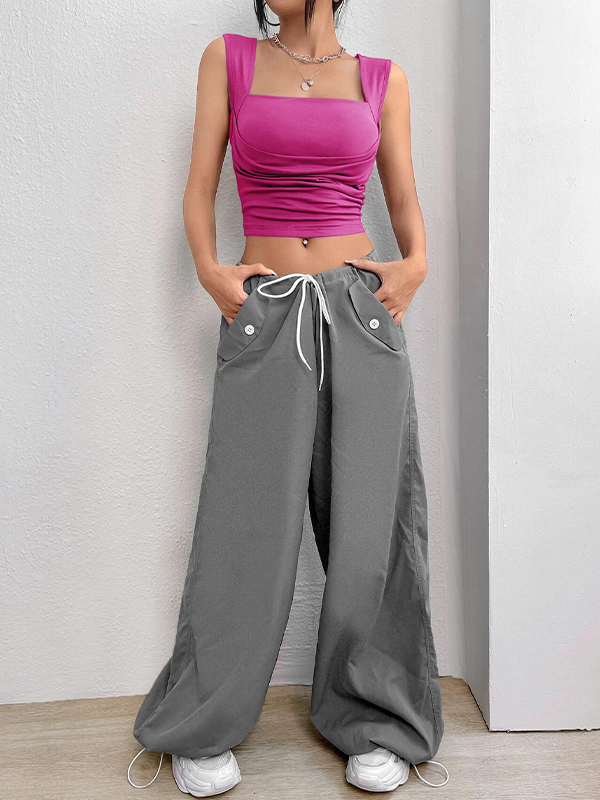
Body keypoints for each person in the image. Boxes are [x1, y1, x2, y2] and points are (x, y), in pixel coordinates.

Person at [127, 0, 449, 794]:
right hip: (267, 310)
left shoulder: (382, 79)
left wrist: (416, 263)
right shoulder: (229, 60)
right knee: (247, 522)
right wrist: (211, 272)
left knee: (370, 523)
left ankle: (375, 718)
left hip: (359, 310)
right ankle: (204, 720)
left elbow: (403, 198)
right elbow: (199, 186)